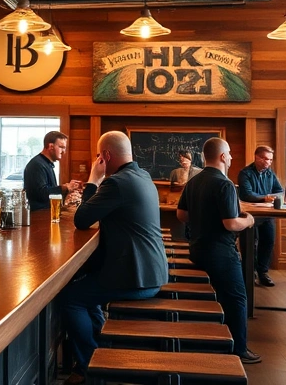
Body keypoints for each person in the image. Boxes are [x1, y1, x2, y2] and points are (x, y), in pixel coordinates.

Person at [58, 131, 168, 384]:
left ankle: (89, 366)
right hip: (151, 269)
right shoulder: (142, 175)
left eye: (99, 155)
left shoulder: (116, 183)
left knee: (71, 298)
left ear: (106, 156)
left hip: (137, 276)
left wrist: (93, 179)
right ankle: (100, 350)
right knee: (88, 292)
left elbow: (82, 219)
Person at [178, 138, 261, 364]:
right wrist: (249, 220)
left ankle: (216, 340)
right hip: (220, 253)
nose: (232, 157)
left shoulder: (193, 181)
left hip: (197, 249)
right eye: (230, 153)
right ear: (223, 156)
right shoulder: (225, 184)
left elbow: (181, 215)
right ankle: (238, 349)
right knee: (237, 298)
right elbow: (231, 223)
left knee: (220, 296)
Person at [237, 145, 282, 288]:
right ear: (257, 157)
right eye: (266, 159)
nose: (269, 162)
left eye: (271, 160)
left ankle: (263, 272)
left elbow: (279, 190)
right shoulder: (245, 173)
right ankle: (249, 272)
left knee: (268, 241)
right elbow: (247, 194)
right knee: (251, 244)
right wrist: (265, 198)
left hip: (267, 214)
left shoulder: (270, 173)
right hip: (250, 215)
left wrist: (272, 197)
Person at [24, 131, 82, 211]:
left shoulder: (46, 164)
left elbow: (49, 190)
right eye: (61, 147)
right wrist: (65, 188)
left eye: (64, 148)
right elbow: (41, 194)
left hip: (46, 213)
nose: (64, 151)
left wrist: (68, 190)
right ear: (51, 146)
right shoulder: (37, 164)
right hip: (38, 215)